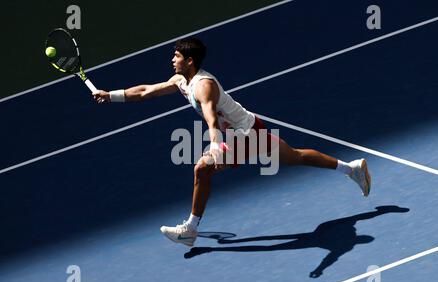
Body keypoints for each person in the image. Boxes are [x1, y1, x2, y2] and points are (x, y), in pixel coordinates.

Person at [92, 37, 371, 247]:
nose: (172, 60)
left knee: (202, 168)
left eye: (176, 56)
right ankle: (352, 168)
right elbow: (146, 92)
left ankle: (190, 229)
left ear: (190, 61)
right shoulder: (181, 80)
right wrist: (112, 95)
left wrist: (215, 144)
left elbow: (212, 117)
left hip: (245, 134)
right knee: (294, 157)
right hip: (250, 128)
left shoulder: (204, 85)